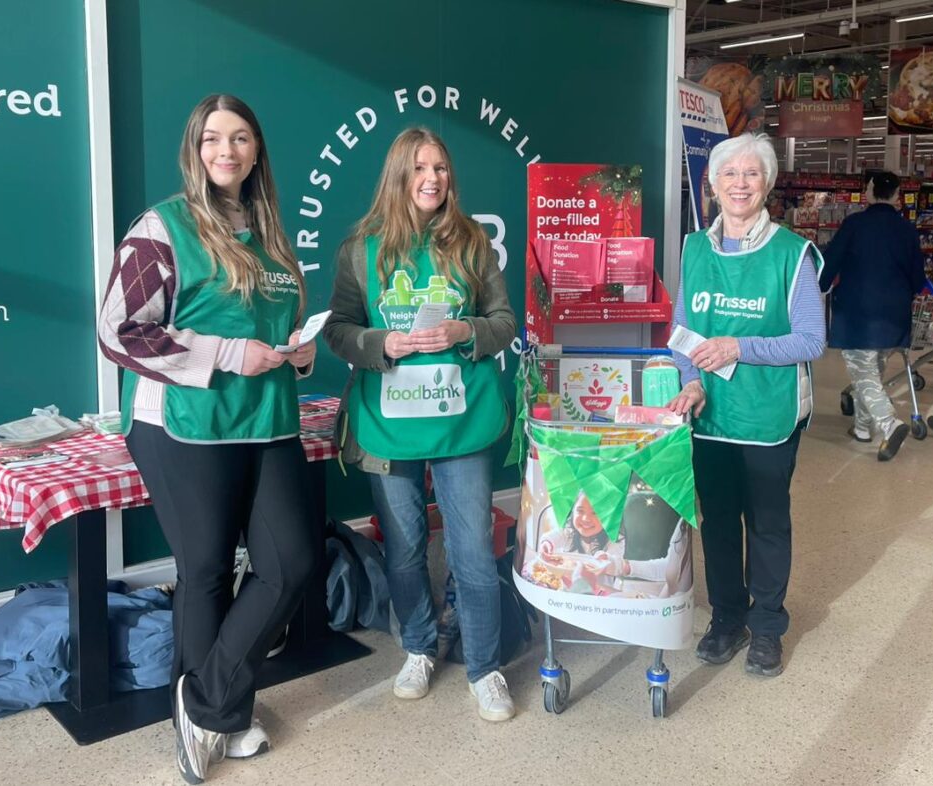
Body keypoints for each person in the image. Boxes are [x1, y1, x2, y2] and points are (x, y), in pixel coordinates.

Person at [98, 94, 317, 784]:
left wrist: (298, 353)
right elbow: (120, 331)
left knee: (291, 561)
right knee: (207, 573)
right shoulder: (162, 227)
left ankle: (205, 700)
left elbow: (280, 322)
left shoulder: (272, 232)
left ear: (257, 152)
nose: (228, 151)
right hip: (183, 426)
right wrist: (226, 354)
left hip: (268, 417)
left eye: (242, 138)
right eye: (214, 139)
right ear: (195, 149)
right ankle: (220, 718)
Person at [323, 127, 517, 722]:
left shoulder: (473, 241)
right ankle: (418, 646)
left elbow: (504, 320)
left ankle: (485, 668)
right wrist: (383, 342)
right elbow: (338, 329)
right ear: (398, 177)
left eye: (441, 169)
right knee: (405, 550)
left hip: (462, 421)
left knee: (473, 553)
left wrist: (467, 332)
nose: (433, 179)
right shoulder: (362, 247)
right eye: (419, 169)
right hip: (390, 423)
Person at [667, 133, 826, 678]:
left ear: (767, 183)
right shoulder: (694, 248)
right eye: (729, 174)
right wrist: (690, 381)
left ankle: (767, 627)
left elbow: (811, 340)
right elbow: (684, 330)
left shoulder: (793, 254)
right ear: (712, 184)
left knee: (766, 522)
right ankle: (728, 619)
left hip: (767, 417)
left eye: (751, 174)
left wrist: (741, 347)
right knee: (717, 522)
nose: (739, 184)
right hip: (710, 415)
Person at [819, 170, 925, 461]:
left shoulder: (855, 224)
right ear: (895, 195)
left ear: (870, 192)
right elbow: (918, 279)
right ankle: (863, 429)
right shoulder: (907, 230)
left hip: (858, 315)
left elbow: (830, 263)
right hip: (894, 318)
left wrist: (821, 285)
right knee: (873, 373)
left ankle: (890, 424)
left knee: (864, 374)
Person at [537, 492, 689, 596]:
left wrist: (606, 561)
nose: (585, 518)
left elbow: (615, 562)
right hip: (567, 586)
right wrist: (547, 544)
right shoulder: (569, 533)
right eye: (580, 511)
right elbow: (554, 535)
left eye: (595, 513)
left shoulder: (615, 539)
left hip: (600, 591)